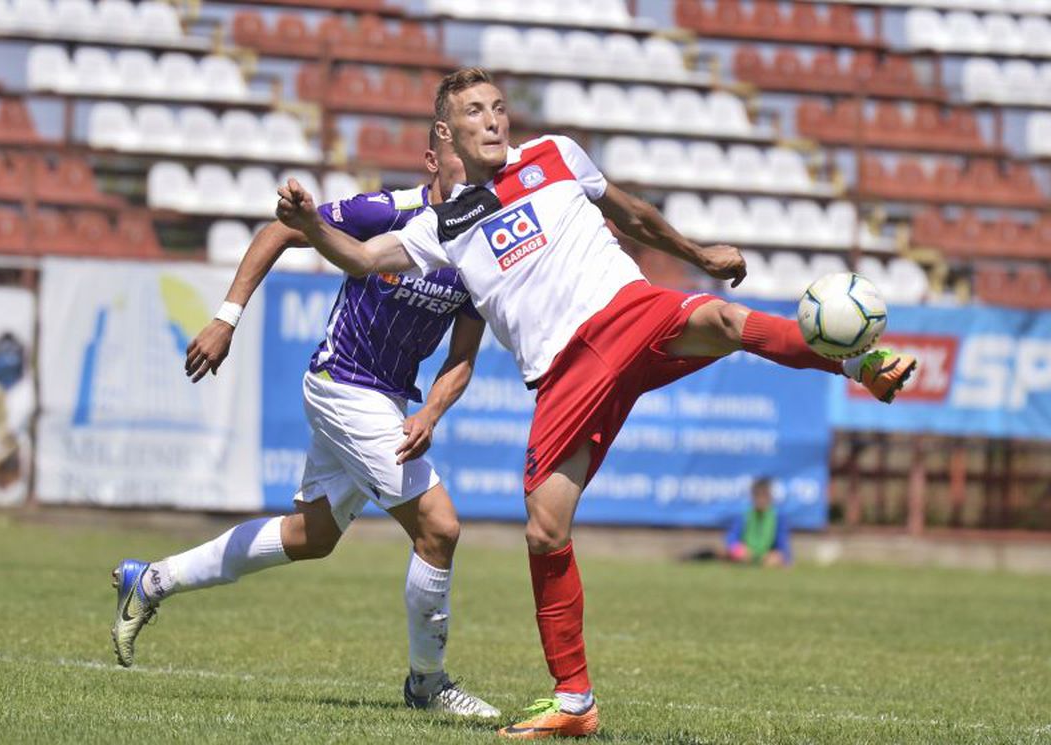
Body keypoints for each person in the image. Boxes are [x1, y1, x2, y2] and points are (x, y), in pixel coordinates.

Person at [275, 67, 918, 738]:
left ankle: (858, 362)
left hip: (629, 314)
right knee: (545, 529)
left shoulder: (554, 154)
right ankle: (574, 702)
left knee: (726, 322)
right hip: (564, 374)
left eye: (499, 107)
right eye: (475, 112)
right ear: (446, 132)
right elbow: (359, 255)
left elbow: (631, 213)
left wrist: (697, 251)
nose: (494, 120)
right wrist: (309, 225)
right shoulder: (442, 225)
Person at [111, 128, 500, 718]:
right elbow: (283, 229)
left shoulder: (477, 245)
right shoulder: (385, 211)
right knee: (439, 529)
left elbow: (463, 356)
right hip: (342, 385)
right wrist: (226, 319)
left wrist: (431, 411)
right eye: (460, 152)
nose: (474, 165)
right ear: (432, 161)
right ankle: (427, 683)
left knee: (311, 537)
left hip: (389, 400)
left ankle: (151, 581)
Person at [725, 477, 791, 567]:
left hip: (766, 556)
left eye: (764, 496)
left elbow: (783, 543)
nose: (761, 500)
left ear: (770, 497)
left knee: (774, 560)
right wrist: (738, 549)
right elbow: (732, 537)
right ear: (752, 497)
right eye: (757, 496)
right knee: (737, 554)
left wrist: (784, 558)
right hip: (746, 554)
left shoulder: (778, 517)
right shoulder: (743, 514)